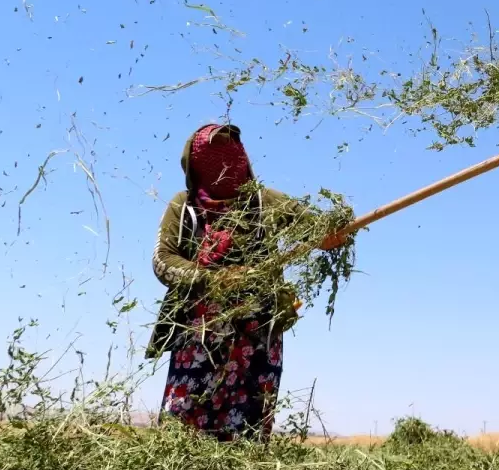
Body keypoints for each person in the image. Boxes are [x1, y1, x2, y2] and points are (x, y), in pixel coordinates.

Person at [145, 122, 349, 442]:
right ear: (195, 163)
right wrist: (214, 279)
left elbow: (317, 228)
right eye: (214, 156)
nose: (226, 164)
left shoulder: (266, 202)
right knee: (184, 425)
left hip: (258, 335)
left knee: (249, 428)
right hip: (199, 336)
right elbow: (163, 261)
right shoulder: (183, 207)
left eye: (232, 154)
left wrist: (331, 232)